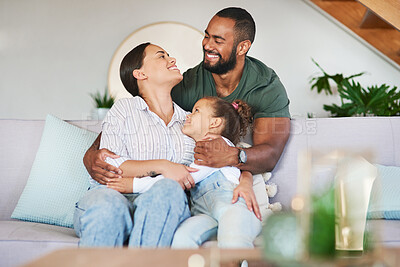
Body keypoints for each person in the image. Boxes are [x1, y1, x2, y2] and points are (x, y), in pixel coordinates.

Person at [83, 7, 291, 243]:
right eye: (206, 36)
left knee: (171, 196)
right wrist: (91, 154)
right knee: (113, 206)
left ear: (242, 47)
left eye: (218, 40)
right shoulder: (186, 86)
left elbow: (269, 153)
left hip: (193, 195)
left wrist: (236, 162)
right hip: (150, 195)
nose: (207, 45)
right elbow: (128, 125)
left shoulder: (265, 86)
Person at [74, 42, 198, 247]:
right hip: (110, 196)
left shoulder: (190, 121)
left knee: (168, 190)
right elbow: (113, 166)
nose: (172, 60)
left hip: (160, 203)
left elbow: (197, 171)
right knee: (108, 207)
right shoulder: (124, 109)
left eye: (169, 55)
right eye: (161, 56)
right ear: (139, 74)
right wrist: (164, 166)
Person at [107, 96, 262, 248]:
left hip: (232, 206)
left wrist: (133, 185)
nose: (188, 115)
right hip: (204, 213)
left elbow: (181, 178)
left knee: (233, 241)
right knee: (182, 239)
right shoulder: (197, 152)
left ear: (214, 122)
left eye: (196, 111)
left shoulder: (218, 147)